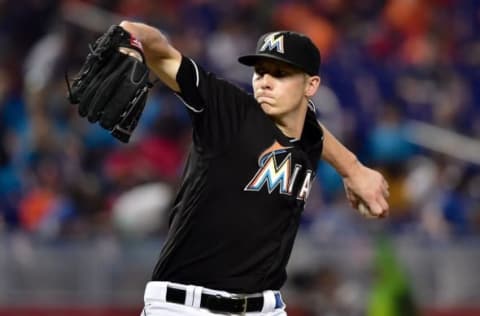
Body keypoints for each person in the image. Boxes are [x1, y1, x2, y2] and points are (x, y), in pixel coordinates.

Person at [118, 21, 390, 316]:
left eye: (281, 73)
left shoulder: (310, 136)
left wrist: (354, 169)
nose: (265, 81)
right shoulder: (227, 109)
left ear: (311, 85)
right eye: (260, 71)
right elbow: (164, 54)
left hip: (264, 308)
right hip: (186, 306)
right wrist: (130, 34)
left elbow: (314, 130)